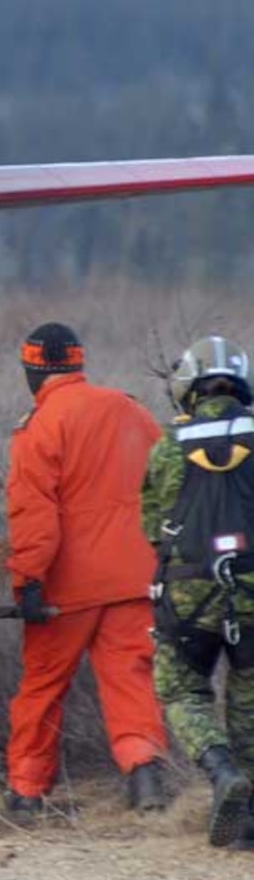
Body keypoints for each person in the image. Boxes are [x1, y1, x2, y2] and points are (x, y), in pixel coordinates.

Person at [4, 323, 170, 819]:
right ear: (78, 363)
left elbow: (33, 517)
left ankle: (28, 793)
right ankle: (145, 780)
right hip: (135, 578)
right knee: (131, 681)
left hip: (67, 589)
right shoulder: (133, 411)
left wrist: (27, 581)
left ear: (32, 370)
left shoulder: (40, 427)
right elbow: (167, 491)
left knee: (42, 686)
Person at [144, 336, 254, 848]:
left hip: (190, 593)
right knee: (249, 699)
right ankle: (248, 821)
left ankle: (222, 770)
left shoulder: (168, 446)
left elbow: (152, 527)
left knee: (182, 689)